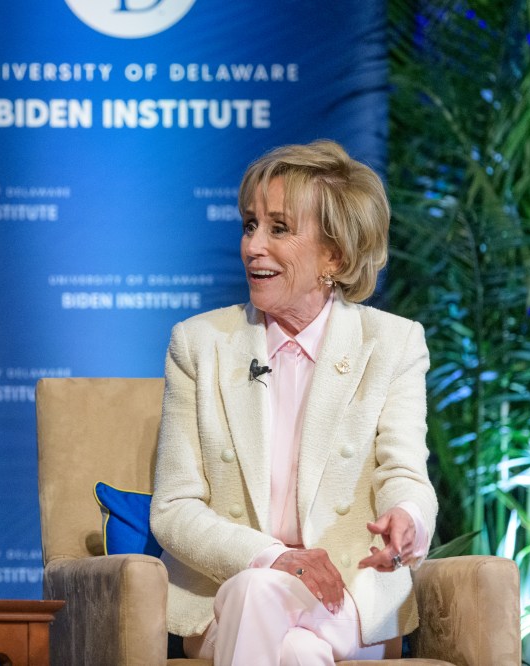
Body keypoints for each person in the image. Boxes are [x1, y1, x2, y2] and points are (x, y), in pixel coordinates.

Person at [150, 140, 438, 664]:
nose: (253, 246)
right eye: (249, 225)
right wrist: (272, 558)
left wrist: (408, 517)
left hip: (350, 601)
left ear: (336, 254)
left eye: (279, 228)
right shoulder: (199, 344)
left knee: (263, 601)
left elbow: (404, 471)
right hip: (226, 597)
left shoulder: (391, 345)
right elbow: (173, 508)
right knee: (291, 639)